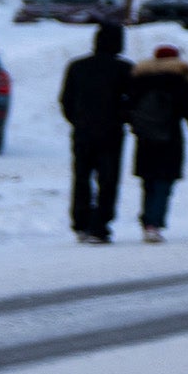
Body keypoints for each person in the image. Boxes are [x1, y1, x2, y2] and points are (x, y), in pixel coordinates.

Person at [122, 44, 188, 245]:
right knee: (164, 181)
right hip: (170, 137)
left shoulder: (139, 79)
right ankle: (154, 224)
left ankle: (146, 222)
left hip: (145, 138)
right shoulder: (179, 79)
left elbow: (126, 107)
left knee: (148, 181)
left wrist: (135, 126)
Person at [58, 22, 132, 245]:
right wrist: (121, 118)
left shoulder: (77, 66)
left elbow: (66, 100)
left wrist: (78, 121)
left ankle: (80, 223)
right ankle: (100, 226)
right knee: (108, 180)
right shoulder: (125, 69)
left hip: (83, 132)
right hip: (111, 133)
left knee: (81, 178)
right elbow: (132, 101)